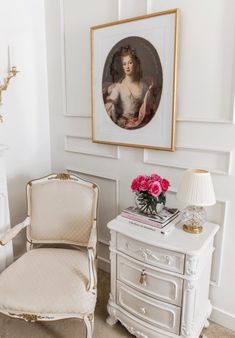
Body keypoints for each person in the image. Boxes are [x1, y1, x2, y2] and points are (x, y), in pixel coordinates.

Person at [103, 45, 158, 129]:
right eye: (124, 64)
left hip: (140, 126)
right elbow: (111, 105)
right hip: (123, 126)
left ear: (135, 63)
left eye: (130, 62)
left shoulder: (143, 86)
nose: (127, 67)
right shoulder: (119, 87)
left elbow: (150, 108)